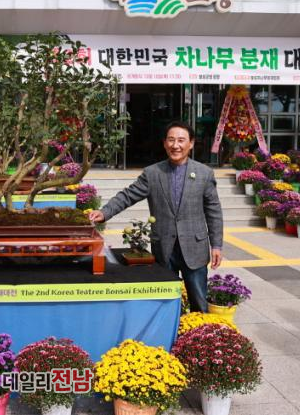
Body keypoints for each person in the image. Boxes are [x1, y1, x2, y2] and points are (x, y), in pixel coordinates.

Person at [89, 121, 223, 312]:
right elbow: (128, 195)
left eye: (181, 140)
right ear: (164, 143)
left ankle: (199, 331)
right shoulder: (152, 173)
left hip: (195, 247)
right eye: (171, 140)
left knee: (199, 302)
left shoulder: (204, 173)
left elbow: (213, 211)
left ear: (191, 143)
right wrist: (104, 212)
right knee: (165, 305)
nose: (175, 145)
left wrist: (216, 245)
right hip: (164, 248)